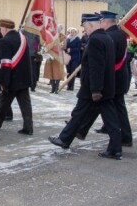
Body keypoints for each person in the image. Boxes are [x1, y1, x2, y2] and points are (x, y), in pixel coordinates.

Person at [48, 13, 122, 160]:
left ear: (90, 25)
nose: (84, 30)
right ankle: (68, 138)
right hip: (104, 86)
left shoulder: (95, 40)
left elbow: (96, 67)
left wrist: (95, 90)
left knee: (81, 113)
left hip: (93, 88)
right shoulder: (106, 38)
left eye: (85, 26)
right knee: (105, 117)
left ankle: (65, 139)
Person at [77, 11, 132, 146]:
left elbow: (105, 60)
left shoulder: (110, 36)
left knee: (112, 108)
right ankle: (83, 128)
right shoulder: (118, 34)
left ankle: (123, 138)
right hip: (118, 77)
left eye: (101, 21)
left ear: (106, 22)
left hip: (113, 78)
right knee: (111, 108)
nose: (100, 24)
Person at [0, 18, 34, 135]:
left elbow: (6, 63)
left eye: (1, 28)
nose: (0, 31)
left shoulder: (4, 41)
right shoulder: (22, 37)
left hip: (12, 78)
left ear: (5, 28)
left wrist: (3, 82)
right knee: (25, 105)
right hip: (24, 77)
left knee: (4, 102)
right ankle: (28, 128)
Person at [43, 24, 66, 94]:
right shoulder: (50, 35)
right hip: (50, 56)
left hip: (58, 57)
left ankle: (56, 88)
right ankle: (52, 88)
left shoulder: (62, 36)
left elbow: (64, 46)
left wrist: (59, 46)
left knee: (57, 72)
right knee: (51, 72)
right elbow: (45, 44)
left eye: (58, 29)